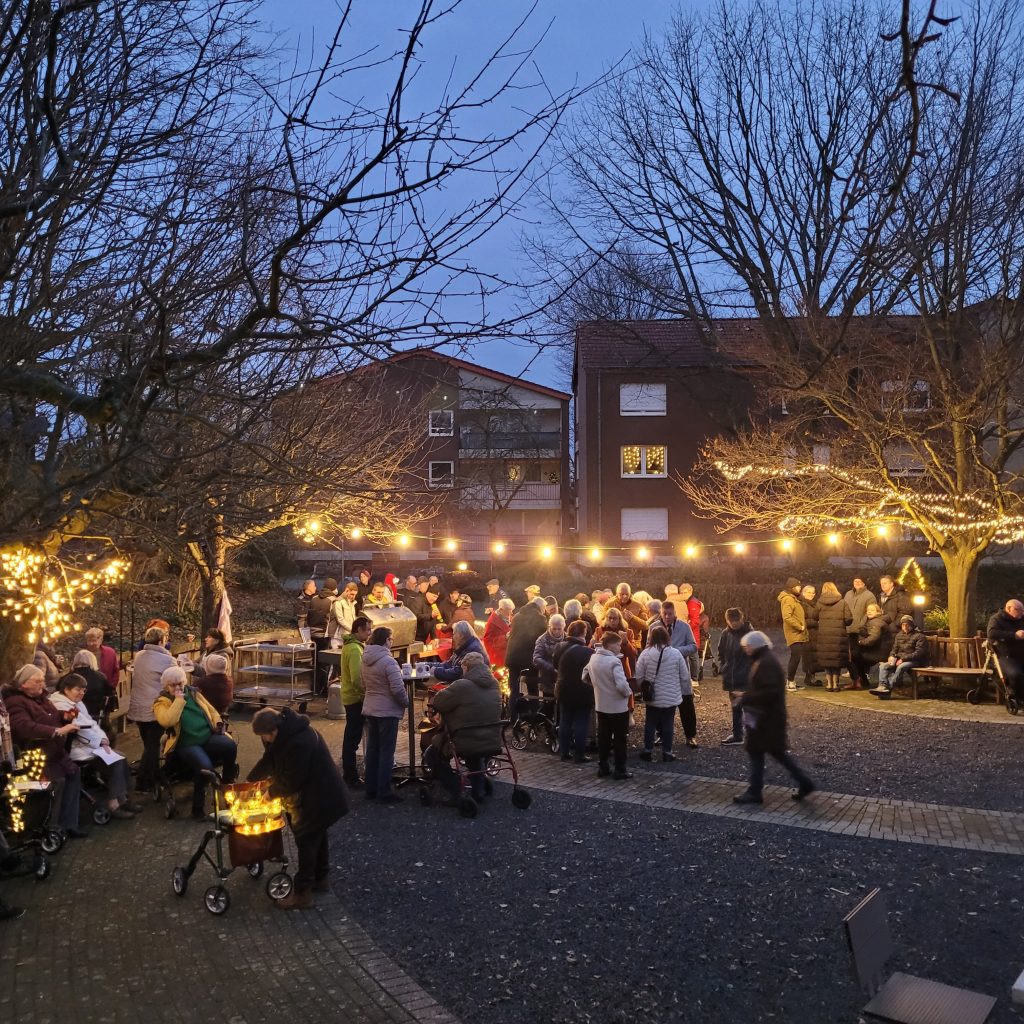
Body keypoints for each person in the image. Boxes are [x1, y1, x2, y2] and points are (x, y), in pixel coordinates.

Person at [249, 706, 350, 910]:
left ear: (274, 730)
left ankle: (302, 893)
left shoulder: (300, 742)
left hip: (321, 797)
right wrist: (251, 781)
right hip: (319, 796)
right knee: (318, 836)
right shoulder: (286, 733)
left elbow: (292, 779)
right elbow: (270, 758)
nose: (265, 741)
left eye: (265, 736)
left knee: (307, 840)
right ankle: (320, 879)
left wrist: (269, 794)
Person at [732, 632, 815, 805]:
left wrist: (746, 697)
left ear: (755, 646)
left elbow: (769, 692)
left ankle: (755, 791)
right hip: (769, 718)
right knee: (776, 753)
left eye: (747, 647)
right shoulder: (766, 660)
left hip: (765, 719)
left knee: (758, 753)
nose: (746, 650)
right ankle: (804, 782)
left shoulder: (765, 663)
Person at [3, 664, 85, 836]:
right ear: (24, 684)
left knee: (74, 774)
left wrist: (66, 716)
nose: (42, 683)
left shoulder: (43, 699)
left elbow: (52, 715)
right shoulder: (14, 702)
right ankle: (50, 829)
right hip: (35, 755)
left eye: (43, 680)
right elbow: (24, 727)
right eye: (37, 680)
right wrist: (56, 731)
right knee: (56, 783)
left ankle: (69, 824)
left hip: (55, 752)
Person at [49, 674, 141, 820]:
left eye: (83, 690)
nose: (81, 693)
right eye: (78, 689)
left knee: (121, 758)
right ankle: (114, 803)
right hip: (75, 747)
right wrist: (101, 742)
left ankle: (123, 799)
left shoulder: (75, 702)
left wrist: (102, 739)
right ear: (66, 690)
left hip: (87, 744)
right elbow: (83, 727)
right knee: (116, 761)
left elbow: (91, 724)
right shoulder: (61, 705)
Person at [152, 666, 237, 819]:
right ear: (166, 686)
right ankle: (197, 810)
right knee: (205, 768)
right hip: (186, 743)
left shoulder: (193, 693)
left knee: (230, 746)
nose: (178, 688)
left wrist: (218, 723)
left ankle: (227, 783)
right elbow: (167, 721)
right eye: (173, 685)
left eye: (180, 684)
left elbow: (211, 710)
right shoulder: (162, 702)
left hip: (206, 736)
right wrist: (179, 701)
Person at [428, 650, 502, 802]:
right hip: (491, 738)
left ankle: (455, 788)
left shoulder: (462, 685)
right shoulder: (495, 684)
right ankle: (478, 789)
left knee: (431, 755)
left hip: (465, 737)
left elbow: (439, 702)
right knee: (474, 755)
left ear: (467, 668)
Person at [360, 626, 408, 803]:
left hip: (371, 709)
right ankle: (384, 791)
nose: (392, 642)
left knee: (373, 750)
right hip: (387, 711)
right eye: (391, 639)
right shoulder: (389, 661)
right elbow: (397, 688)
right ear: (386, 641)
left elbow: (362, 683)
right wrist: (406, 703)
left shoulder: (364, 658)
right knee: (387, 752)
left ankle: (370, 788)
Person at [128, 625, 175, 792]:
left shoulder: (139, 655)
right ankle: (144, 781)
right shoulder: (167, 659)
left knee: (149, 744)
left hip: (138, 705)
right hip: (155, 706)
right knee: (152, 745)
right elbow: (174, 679)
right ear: (162, 640)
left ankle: (152, 776)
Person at [583, 634, 633, 780]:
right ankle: (620, 769)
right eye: (618, 645)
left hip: (601, 705)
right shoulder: (614, 662)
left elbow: (584, 675)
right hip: (617, 707)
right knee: (620, 739)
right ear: (611, 645)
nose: (619, 647)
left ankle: (603, 767)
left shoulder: (594, 658)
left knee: (604, 738)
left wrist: (596, 686)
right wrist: (628, 692)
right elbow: (621, 685)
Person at [636, 625, 687, 762]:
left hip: (652, 696)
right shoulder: (676, 654)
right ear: (666, 637)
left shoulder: (645, 654)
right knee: (668, 723)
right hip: (671, 696)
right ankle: (667, 752)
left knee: (650, 722)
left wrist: (643, 688)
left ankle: (648, 750)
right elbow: (685, 676)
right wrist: (680, 688)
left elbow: (639, 676)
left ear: (651, 638)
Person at [553, 620, 594, 762]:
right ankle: (579, 754)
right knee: (581, 722)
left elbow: (555, 665)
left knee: (565, 720)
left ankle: (564, 752)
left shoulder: (559, 647)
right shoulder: (588, 652)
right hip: (582, 691)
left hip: (563, 688)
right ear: (583, 633)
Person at [658, 601, 698, 745]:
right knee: (662, 704)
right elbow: (648, 647)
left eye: (670, 614)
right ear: (661, 614)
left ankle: (690, 735)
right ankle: (661, 734)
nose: (667, 617)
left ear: (675, 613)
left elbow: (694, 646)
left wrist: (677, 651)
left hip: (680, 670)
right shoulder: (654, 627)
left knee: (686, 703)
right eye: (665, 614)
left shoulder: (684, 627)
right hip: (662, 672)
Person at [339, 616, 371, 785]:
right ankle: (350, 775)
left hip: (350, 696)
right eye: (367, 630)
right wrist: (364, 694)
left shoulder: (352, 646)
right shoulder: (354, 649)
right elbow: (357, 678)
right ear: (358, 629)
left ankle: (349, 772)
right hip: (354, 699)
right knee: (353, 738)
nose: (369, 633)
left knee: (351, 736)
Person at [505, 596, 548, 719]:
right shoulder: (540, 618)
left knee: (514, 689)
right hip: (528, 658)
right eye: (544, 608)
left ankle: (513, 717)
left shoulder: (517, 616)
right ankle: (533, 716)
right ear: (540, 607)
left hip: (512, 656)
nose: (544, 611)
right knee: (532, 688)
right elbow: (542, 639)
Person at [717, 607, 753, 745]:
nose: (734, 623)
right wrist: (723, 667)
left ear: (742, 619)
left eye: (736, 620)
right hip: (732, 676)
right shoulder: (725, 633)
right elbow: (721, 652)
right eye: (731, 621)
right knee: (736, 707)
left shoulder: (750, 634)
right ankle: (738, 735)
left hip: (746, 677)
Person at [872, 615, 928, 697]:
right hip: (899, 659)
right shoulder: (899, 635)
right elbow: (894, 649)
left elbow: (919, 653)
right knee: (883, 666)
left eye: (907, 625)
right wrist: (891, 656)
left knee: (901, 667)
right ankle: (882, 686)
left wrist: (903, 659)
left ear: (911, 625)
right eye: (903, 625)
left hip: (914, 661)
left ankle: (888, 687)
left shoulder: (919, 636)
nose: (905, 627)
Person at [815, 581, 852, 691]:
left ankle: (829, 684)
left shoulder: (819, 603)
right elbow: (849, 619)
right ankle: (836, 684)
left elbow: (814, 616)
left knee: (827, 660)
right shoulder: (842, 602)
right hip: (838, 636)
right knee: (836, 660)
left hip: (824, 635)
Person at [987, 599, 1024, 704]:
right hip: (1007, 655)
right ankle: (1018, 697)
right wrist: (1014, 635)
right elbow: (992, 633)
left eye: (1023, 610)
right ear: (1009, 609)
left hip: (1021, 653)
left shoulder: (1021, 618)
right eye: (1019, 610)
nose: (1022, 613)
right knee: (1015, 674)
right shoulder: (996, 619)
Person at [777, 576, 808, 691]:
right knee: (795, 657)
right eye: (798, 586)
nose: (800, 588)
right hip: (794, 633)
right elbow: (787, 617)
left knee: (796, 657)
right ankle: (790, 682)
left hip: (797, 633)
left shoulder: (794, 598)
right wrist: (799, 626)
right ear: (792, 587)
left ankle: (792, 681)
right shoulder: (788, 599)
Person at [848, 603, 888, 690]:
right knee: (856, 657)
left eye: (872, 610)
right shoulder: (873, 620)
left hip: (878, 653)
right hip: (877, 650)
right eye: (868, 610)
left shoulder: (876, 622)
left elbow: (873, 638)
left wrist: (860, 642)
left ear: (878, 612)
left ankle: (858, 681)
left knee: (852, 658)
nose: (869, 612)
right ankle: (863, 681)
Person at [433, 620, 487, 684]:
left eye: (454, 634)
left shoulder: (472, 649)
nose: (453, 637)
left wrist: (436, 671)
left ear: (461, 635)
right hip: (467, 682)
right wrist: (430, 665)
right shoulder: (462, 646)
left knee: (442, 691)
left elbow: (458, 673)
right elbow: (449, 664)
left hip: (475, 684)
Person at [67, 649, 111, 720]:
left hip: (72, 716)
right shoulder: (100, 677)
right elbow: (109, 695)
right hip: (95, 715)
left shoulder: (66, 678)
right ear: (93, 661)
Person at [533, 614, 566, 697]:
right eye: (554, 628)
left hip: (564, 679)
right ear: (549, 627)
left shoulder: (567, 638)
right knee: (548, 705)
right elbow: (536, 658)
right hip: (547, 679)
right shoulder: (542, 639)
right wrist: (551, 668)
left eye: (559, 629)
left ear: (563, 627)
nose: (557, 631)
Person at [677, 583, 705, 681]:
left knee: (693, 656)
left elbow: (695, 621)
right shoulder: (688, 602)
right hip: (690, 632)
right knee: (691, 656)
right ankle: (692, 676)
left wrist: (685, 629)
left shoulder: (692, 603)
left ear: (690, 592)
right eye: (681, 593)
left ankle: (694, 678)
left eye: (685, 592)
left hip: (692, 633)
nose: (683, 594)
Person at [84, 627, 120, 693]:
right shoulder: (83, 655)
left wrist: (111, 687)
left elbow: (116, 671)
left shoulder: (110, 652)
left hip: (106, 690)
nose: (91, 644)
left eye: (94, 640)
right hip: (88, 693)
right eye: (89, 641)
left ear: (101, 640)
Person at [482, 598, 514, 667]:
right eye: (509, 610)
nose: (511, 613)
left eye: (512, 610)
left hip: (508, 654)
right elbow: (487, 640)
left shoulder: (509, 617)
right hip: (498, 657)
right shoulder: (492, 622)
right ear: (502, 610)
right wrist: (505, 637)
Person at [799, 584, 820, 687]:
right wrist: (817, 623)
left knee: (814, 656)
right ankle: (809, 678)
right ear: (804, 593)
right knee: (808, 656)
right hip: (807, 634)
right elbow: (802, 621)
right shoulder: (802, 604)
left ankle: (811, 677)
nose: (811, 594)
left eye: (813, 592)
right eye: (809, 592)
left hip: (814, 634)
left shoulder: (813, 604)